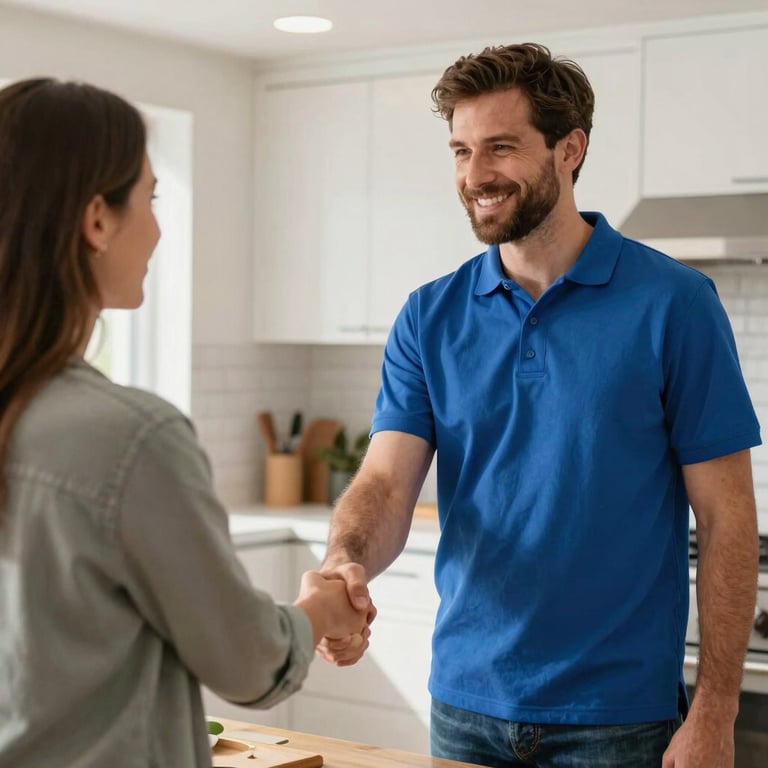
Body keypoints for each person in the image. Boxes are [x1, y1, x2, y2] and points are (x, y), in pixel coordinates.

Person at [317, 43, 762, 768]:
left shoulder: (674, 304)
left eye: (500, 148)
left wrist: (715, 707)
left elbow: (726, 517)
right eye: (461, 150)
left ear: (570, 149)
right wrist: (345, 563)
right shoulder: (429, 316)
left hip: (617, 718)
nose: (474, 175)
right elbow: (385, 484)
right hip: (466, 704)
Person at [0, 78, 367, 768]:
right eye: (151, 198)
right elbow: (248, 661)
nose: (160, 228)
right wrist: (319, 609)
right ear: (97, 220)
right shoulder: (129, 440)